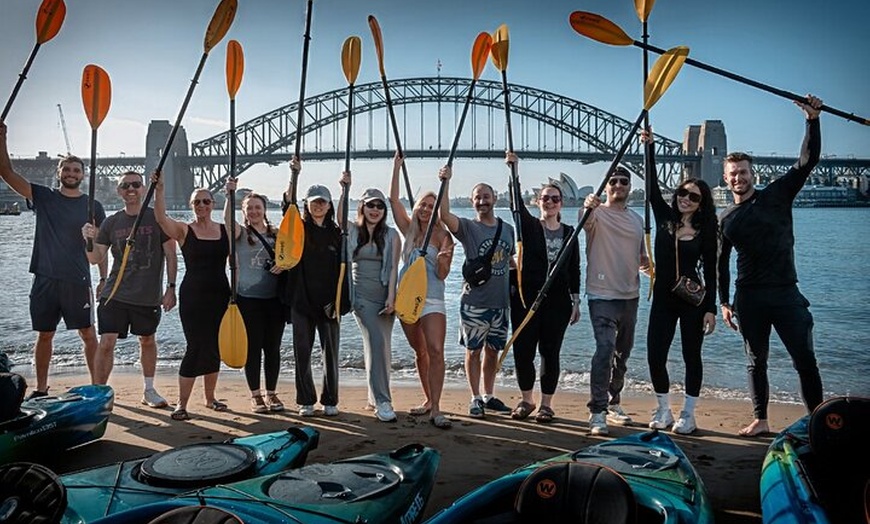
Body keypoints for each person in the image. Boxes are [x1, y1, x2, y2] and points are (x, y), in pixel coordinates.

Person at [718, 95, 825, 437]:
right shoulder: (725, 218)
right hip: (749, 298)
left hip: (786, 293)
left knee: (805, 360)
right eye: (733, 174)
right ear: (726, 179)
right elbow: (721, 263)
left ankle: (816, 421)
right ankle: (761, 420)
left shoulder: (777, 195)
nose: (739, 178)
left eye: (744, 172)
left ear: (753, 174)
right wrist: (723, 301)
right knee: (755, 362)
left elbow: (807, 162)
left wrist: (812, 120)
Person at [0, 122, 107, 397]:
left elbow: (97, 257)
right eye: (67, 169)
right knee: (44, 335)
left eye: (76, 170)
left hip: (77, 279)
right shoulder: (44, 197)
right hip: (45, 277)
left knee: (87, 334)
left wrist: (90, 237)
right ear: (58, 172)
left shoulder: (93, 206)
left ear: (83, 175)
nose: (71, 173)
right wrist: (2, 138)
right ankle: (41, 388)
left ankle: (97, 388)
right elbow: (6, 172)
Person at [641, 132, 718, 434]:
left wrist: (711, 308)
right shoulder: (664, 217)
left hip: (692, 300)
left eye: (694, 197)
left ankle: (688, 414)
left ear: (702, 203)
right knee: (655, 355)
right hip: (662, 297)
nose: (685, 199)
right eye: (682, 194)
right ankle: (664, 410)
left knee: (691, 356)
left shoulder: (707, 229)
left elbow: (711, 270)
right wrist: (650, 149)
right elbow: (650, 188)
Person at [81, 171, 177, 408]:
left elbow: (171, 254)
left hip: (147, 295)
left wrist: (171, 287)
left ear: (144, 188)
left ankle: (149, 390)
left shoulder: (157, 218)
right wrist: (88, 240)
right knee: (107, 342)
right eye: (125, 186)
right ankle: (100, 393)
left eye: (136, 184)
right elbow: (95, 259)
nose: (131, 189)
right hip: (115, 293)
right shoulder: (111, 222)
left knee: (147, 340)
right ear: (119, 191)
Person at [504, 152, 581, 424]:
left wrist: (576, 301)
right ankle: (527, 400)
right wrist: (514, 171)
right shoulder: (528, 227)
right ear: (537, 202)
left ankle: (546, 405)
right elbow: (515, 206)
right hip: (525, 298)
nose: (549, 202)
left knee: (550, 352)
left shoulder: (571, 232)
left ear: (562, 204)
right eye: (545, 198)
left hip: (558, 302)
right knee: (523, 351)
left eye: (555, 199)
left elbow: (574, 269)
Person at [438, 165, 515, 419]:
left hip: (501, 304)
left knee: (493, 351)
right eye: (477, 198)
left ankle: (489, 395)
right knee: (473, 351)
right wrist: (446, 182)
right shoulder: (469, 228)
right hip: (474, 303)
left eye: (486, 196)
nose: (482, 201)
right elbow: (444, 214)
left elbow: (511, 262)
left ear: (494, 198)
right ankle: (474, 398)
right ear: (472, 203)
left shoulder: (508, 229)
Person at [152, 173, 230, 421]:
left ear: (213, 204)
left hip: (221, 294)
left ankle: (210, 399)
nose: (202, 206)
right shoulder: (186, 230)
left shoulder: (224, 230)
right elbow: (161, 219)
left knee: (215, 347)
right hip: (194, 296)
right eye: (197, 202)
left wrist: (231, 192)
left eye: (206, 201)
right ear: (191, 206)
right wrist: (160, 189)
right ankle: (181, 404)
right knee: (195, 347)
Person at [388, 153, 455, 429]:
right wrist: (396, 167)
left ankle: (437, 409)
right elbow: (393, 201)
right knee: (420, 352)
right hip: (407, 298)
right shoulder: (409, 230)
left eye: (432, 205)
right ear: (416, 208)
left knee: (436, 350)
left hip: (433, 299)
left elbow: (442, 275)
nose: (427, 209)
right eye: (423, 205)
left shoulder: (443, 236)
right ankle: (428, 399)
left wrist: (442, 260)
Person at [581, 166, 649, 436]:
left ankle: (614, 401)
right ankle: (597, 411)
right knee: (605, 349)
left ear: (629, 187)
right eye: (613, 181)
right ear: (605, 186)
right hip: (601, 295)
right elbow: (584, 222)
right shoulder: (594, 213)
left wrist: (651, 266)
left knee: (622, 355)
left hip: (630, 295)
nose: (618, 185)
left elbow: (641, 258)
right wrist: (588, 205)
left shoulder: (636, 219)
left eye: (624, 181)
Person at [282, 157, 343, 417]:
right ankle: (306, 399)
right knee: (302, 353)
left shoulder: (338, 233)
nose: (319, 205)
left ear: (330, 206)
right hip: (301, 300)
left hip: (330, 301)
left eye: (323, 201)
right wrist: (294, 174)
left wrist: (344, 187)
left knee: (330, 354)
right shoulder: (296, 228)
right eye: (314, 201)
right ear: (307, 204)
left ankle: (330, 400)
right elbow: (288, 204)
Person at [339, 174, 401, 423]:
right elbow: (340, 218)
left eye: (380, 205)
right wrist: (345, 189)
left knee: (381, 348)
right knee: (376, 342)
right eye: (370, 205)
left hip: (385, 299)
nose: (375, 209)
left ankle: (373, 396)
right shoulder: (353, 231)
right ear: (362, 207)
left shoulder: (392, 235)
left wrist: (392, 298)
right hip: (361, 299)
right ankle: (384, 402)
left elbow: (395, 268)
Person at [224, 181, 286, 413]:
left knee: (273, 348)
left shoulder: (277, 234)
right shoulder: (241, 233)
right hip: (248, 299)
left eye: (257, 207)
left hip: (274, 300)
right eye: (249, 208)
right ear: (244, 211)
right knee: (252, 348)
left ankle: (272, 393)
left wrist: (283, 264)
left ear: (264, 209)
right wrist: (230, 195)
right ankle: (255, 395)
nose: (254, 211)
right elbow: (228, 224)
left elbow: (291, 256)